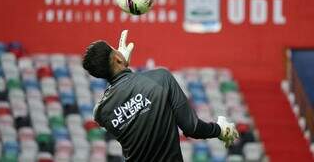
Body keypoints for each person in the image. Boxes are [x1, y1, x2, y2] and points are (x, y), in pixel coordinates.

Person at [82, 30, 239, 162]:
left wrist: (120, 64)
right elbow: (193, 128)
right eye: (114, 49)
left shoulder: (100, 113)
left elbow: (124, 93)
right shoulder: (161, 78)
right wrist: (220, 130)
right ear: (117, 58)